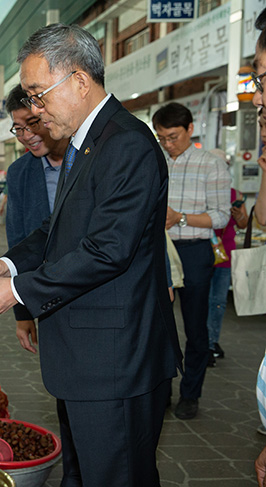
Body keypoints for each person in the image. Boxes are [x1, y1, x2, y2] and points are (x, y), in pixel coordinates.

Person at [0, 24, 181, 486]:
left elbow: (106, 250)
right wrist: (7, 263)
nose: (35, 111)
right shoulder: (87, 142)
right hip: (87, 360)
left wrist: (14, 291)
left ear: (79, 81)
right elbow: (57, 230)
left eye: (39, 96)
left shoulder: (126, 144)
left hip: (116, 362)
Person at [152, 102, 231, 420]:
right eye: (162, 138)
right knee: (158, 325)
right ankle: (162, 390)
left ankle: (190, 393)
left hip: (195, 251)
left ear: (190, 129)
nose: (168, 144)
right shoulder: (156, 162)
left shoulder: (211, 164)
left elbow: (221, 216)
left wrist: (180, 218)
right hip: (159, 251)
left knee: (196, 328)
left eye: (173, 136)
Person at [3, 83, 68, 354]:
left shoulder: (90, 159)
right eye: (19, 128)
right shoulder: (19, 172)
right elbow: (18, 242)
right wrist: (23, 312)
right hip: (47, 294)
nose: (26, 135)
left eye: (32, 123)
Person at [204, 149, 248, 366]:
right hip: (202, 253)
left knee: (218, 301)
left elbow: (243, 224)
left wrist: (239, 216)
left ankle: (212, 342)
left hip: (225, 256)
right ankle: (204, 342)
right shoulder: (200, 192)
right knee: (201, 301)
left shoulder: (235, 195)